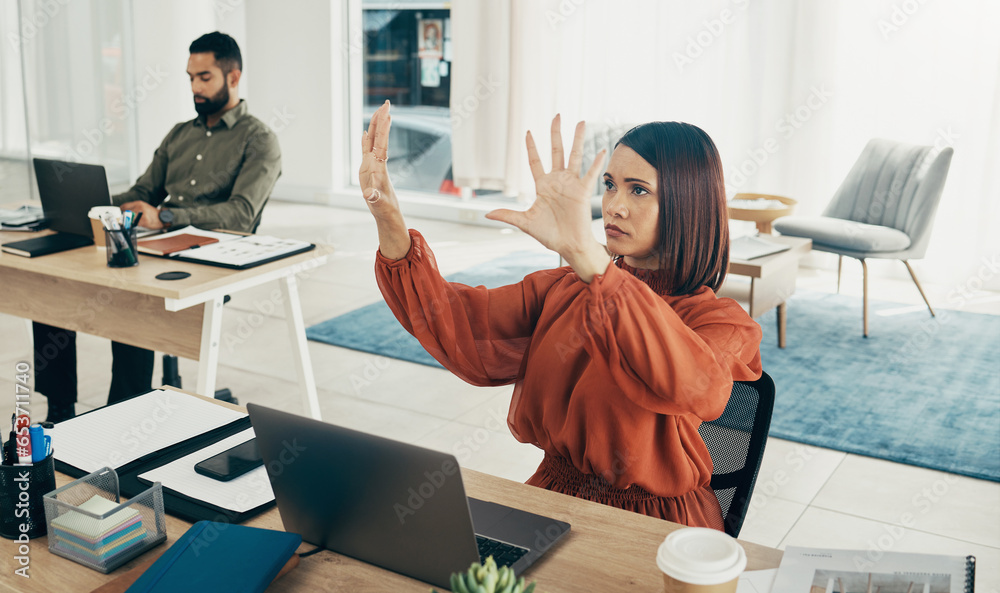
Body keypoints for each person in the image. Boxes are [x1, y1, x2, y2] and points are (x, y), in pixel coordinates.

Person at [360, 101, 762, 529]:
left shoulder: (725, 325)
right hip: (554, 498)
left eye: (638, 189)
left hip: (655, 526)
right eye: (609, 185)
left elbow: (692, 381)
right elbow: (459, 326)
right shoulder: (564, 288)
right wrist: (389, 216)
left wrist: (590, 260)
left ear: (688, 203)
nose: (614, 206)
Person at [34, 31, 281, 423]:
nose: (195, 88)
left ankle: (122, 418)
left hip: (211, 253)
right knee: (53, 283)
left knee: (133, 300)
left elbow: (241, 214)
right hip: (159, 243)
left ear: (233, 78)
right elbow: (144, 190)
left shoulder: (259, 139)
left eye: (205, 77)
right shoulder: (181, 134)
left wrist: (164, 217)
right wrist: (92, 202)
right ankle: (59, 409)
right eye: (190, 78)